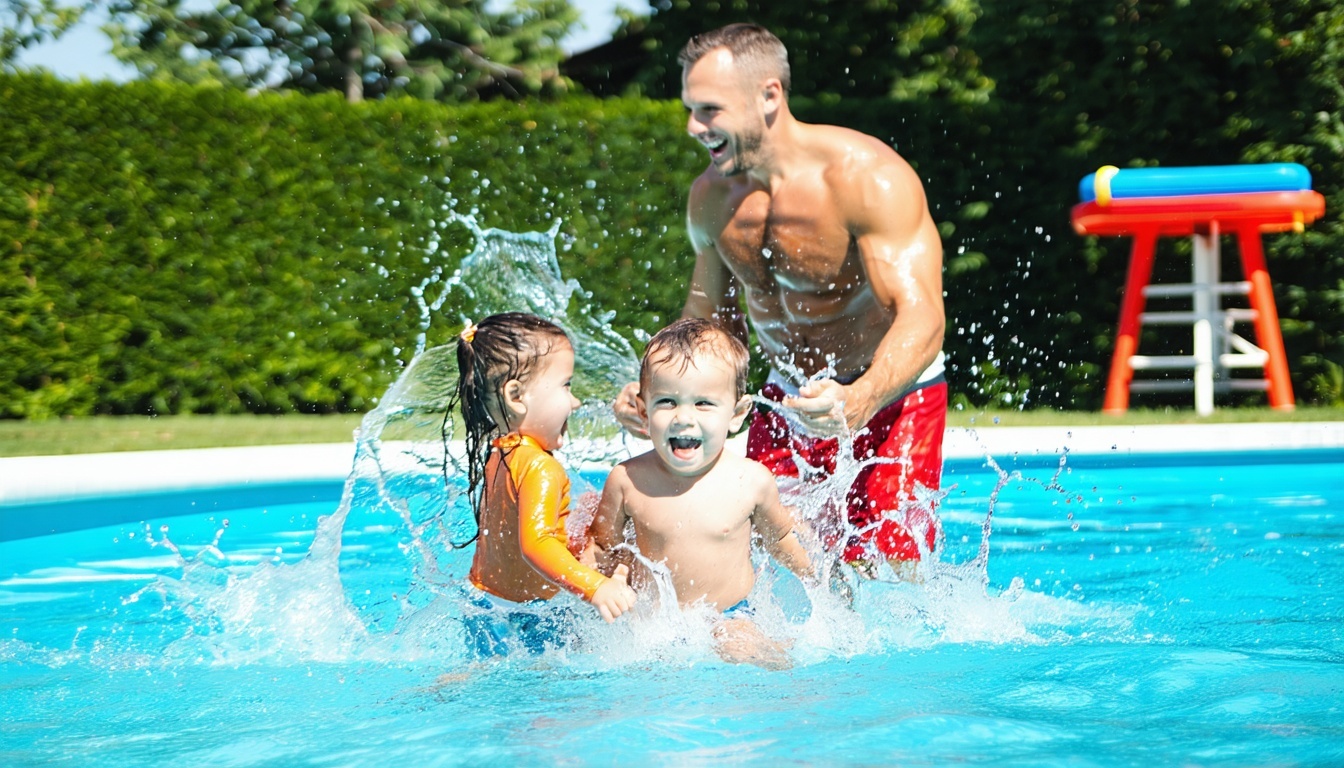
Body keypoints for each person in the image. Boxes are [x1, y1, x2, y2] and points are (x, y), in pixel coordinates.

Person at [613, 23, 948, 581]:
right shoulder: (712, 197)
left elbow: (924, 317)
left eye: (709, 110)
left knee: (888, 581)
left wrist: (862, 398)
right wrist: (655, 390)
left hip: (891, 397)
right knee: (754, 555)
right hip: (786, 398)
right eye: (690, 110)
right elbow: (706, 325)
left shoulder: (868, 179)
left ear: (769, 96)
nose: (694, 127)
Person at [592, 318, 814, 668]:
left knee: (739, 647)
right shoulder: (627, 480)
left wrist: (818, 578)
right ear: (642, 409)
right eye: (666, 401)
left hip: (731, 615)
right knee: (639, 660)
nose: (683, 417)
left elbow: (781, 538)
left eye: (704, 404)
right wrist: (597, 584)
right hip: (658, 619)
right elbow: (603, 546)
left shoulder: (750, 481)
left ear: (737, 414)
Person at [454, 312, 637, 656]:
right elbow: (535, 544)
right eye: (566, 386)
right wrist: (595, 587)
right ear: (516, 395)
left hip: (483, 605)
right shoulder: (541, 467)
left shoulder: (502, 452)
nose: (575, 401)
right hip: (527, 617)